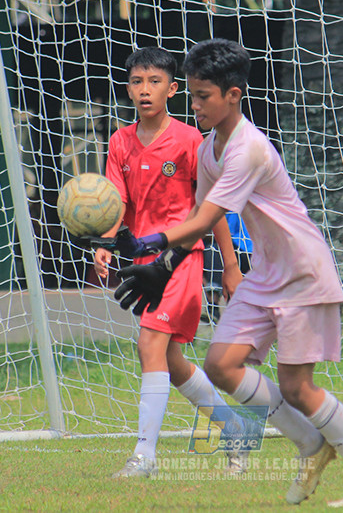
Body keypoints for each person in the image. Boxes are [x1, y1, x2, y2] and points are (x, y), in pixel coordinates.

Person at [96, 39, 343, 507]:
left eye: (203, 97)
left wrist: (154, 247)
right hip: (266, 273)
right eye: (192, 95)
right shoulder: (211, 146)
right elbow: (201, 213)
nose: (194, 105)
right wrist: (163, 263)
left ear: (232, 95)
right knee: (220, 364)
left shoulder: (247, 149)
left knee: (298, 387)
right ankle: (312, 444)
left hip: (302, 271)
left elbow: (199, 220)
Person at [91, 46, 244, 478]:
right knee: (171, 361)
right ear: (128, 89)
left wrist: (230, 267)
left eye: (154, 82)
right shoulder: (120, 141)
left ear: (173, 89)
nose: (145, 90)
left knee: (149, 345)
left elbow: (211, 209)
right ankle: (233, 429)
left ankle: (144, 457)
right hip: (142, 261)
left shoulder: (190, 141)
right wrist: (104, 242)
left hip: (182, 258)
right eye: (137, 82)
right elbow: (114, 200)